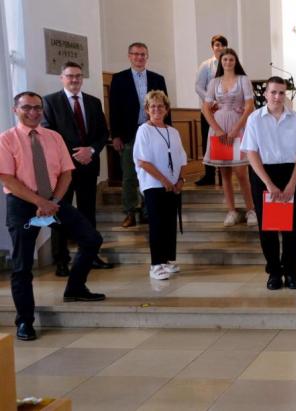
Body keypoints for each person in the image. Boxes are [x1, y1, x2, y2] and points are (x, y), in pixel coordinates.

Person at [0, 92, 106, 341]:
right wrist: (39, 202)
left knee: (91, 239)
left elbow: (66, 174)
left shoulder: (54, 137)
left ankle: (76, 288)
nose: (34, 112)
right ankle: (25, 321)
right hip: (23, 203)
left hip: (54, 202)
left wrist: (53, 202)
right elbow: (7, 178)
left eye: (38, 108)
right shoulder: (6, 139)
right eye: (27, 108)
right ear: (16, 110)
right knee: (22, 266)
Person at [42, 61, 114, 276]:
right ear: (62, 78)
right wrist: (74, 154)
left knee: (88, 212)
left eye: (78, 76)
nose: (74, 80)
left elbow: (102, 133)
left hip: (88, 166)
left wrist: (90, 150)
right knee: (59, 211)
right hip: (63, 169)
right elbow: (49, 134)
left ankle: (89, 256)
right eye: (70, 76)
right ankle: (61, 260)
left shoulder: (93, 102)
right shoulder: (50, 102)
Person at [242, 77, 296, 290]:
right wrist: (268, 184)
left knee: (290, 227)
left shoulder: (295, 119)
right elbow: (251, 153)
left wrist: (291, 184)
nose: (277, 97)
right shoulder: (254, 119)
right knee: (268, 228)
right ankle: (274, 272)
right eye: (273, 92)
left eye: (281, 93)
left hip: (289, 173)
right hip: (263, 174)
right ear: (265, 94)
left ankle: (291, 271)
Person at [109, 42, 169, 228]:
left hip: (155, 130)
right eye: (135, 54)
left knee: (152, 172)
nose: (139, 57)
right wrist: (116, 135)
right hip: (130, 133)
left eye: (143, 54)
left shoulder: (157, 79)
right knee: (129, 175)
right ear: (129, 56)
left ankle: (147, 210)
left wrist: (167, 132)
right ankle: (130, 212)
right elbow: (114, 109)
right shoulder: (119, 79)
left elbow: (166, 107)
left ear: (147, 57)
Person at [133, 91, 187, 280]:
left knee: (169, 223)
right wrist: (165, 181)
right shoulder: (144, 130)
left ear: (166, 109)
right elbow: (143, 162)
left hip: (172, 185)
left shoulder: (173, 131)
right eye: (152, 106)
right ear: (147, 110)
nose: (157, 109)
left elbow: (181, 158)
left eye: (160, 106)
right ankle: (156, 264)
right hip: (153, 185)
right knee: (156, 224)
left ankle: (166, 260)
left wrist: (180, 180)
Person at [201, 48, 257, 227]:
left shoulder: (243, 80)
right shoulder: (214, 82)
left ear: (236, 61)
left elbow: (249, 106)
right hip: (219, 128)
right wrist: (216, 129)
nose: (228, 62)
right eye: (225, 60)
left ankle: (251, 210)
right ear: (221, 62)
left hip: (238, 126)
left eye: (231, 59)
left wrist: (236, 129)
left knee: (241, 173)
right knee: (224, 173)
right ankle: (231, 211)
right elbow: (205, 108)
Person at [194, 34, 228, 186]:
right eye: (216, 45)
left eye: (222, 45)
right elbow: (199, 86)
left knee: (224, 141)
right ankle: (209, 175)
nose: (219, 48)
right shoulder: (206, 65)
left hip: (227, 111)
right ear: (212, 47)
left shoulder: (230, 63)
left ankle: (226, 173)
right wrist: (211, 101)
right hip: (210, 111)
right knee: (208, 141)